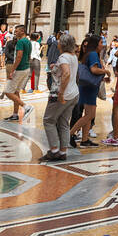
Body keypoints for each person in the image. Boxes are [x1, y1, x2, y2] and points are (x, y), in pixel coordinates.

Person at [41, 33, 80, 161]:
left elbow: (66, 73)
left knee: (49, 120)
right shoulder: (73, 56)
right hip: (74, 93)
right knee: (63, 122)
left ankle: (54, 151)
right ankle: (63, 152)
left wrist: (61, 93)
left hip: (63, 93)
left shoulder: (63, 57)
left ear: (62, 44)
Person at [70, 33, 107, 146]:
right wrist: (106, 71)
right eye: (101, 42)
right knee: (89, 115)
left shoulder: (90, 54)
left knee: (88, 114)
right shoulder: (93, 54)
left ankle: (85, 139)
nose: (103, 45)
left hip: (89, 87)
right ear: (96, 44)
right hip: (89, 88)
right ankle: (68, 134)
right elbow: (94, 70)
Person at [3, 25, 34, 122]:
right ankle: (15, 114)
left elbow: (19, 56)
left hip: (20, 69)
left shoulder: (20, 42)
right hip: (26, 68)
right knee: (16, 92)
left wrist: (12, 70)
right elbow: (28, 55)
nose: (15, 33)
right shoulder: (28, 41)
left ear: (22, 31)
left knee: (8, 91)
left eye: (17, 31)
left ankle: (26, 106)